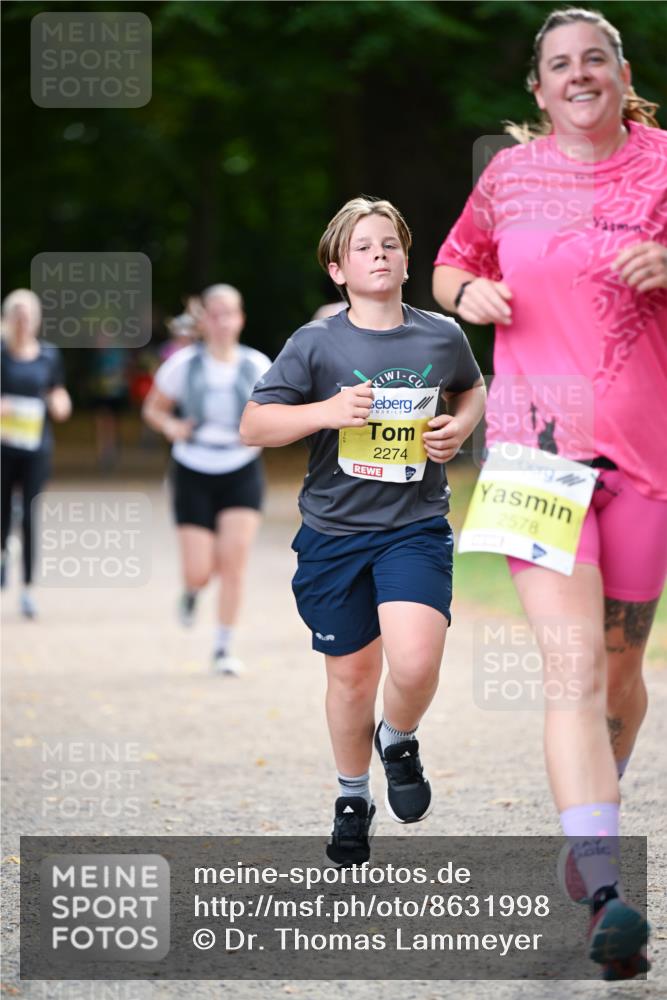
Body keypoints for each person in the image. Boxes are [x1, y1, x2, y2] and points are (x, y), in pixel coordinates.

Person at [432, 6, 665, 980]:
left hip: (646, 456)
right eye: (558, 65)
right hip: (534, 452)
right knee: (570, 669)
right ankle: (607, 888)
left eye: (593, 59)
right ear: (537, 89)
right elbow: (450, 262)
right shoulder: (508, 176)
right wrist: (462, 296)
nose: (577, 75)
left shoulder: (664, 164)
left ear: (620, 72)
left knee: (618, 669)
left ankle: (589, 816)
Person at [241, 197, 485, 866]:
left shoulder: (440, 336)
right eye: (362, 248)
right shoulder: (315, 344)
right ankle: (352, 798)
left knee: (413, 661)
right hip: (333, 533)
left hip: (413, 525)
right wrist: (325, 410)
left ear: (406, 259)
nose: (378, 254)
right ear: (336, 269)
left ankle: (399, 738)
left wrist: (458, 428)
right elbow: (254, 426)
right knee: (350, 678)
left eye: (389, 244)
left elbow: (469, 388)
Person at [142, 284, 271, 675]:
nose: (221, 321)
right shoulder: (182, 365)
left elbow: (276, 415)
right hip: (193, 468)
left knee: (233, 563)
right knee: (199, 569)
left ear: (241, 319)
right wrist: (172, 426)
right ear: (204, 321)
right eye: (214, 314)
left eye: (229, 313)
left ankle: (222, 647)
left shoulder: (258, 365)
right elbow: (154, 409)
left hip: (241, 468)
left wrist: (259, 431)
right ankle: (192, 591)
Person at [1, 289, 72, 618]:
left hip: (35, 447)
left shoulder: (48, 355)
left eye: (28, 316)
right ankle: (3, 557)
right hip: (3, 446)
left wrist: (61, 403)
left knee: (30, 516)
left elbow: (57, 390)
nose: (22, 322)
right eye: (17, 315)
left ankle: (28, 588)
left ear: (37, 320)